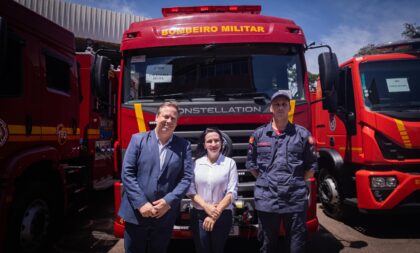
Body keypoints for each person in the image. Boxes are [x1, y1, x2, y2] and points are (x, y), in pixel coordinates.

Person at [246, 90, 317, 253]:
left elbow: (311, 166)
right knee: (268, 244)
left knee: (296, 244)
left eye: (284, 104)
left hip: (294, 198)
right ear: (271, 108)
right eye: (276, 104)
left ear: (289, 108)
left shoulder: (302, 135)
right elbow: (251, 165)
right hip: (267, 198)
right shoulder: (258, 135)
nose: (280, 108)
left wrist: (294, 182)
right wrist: (267, 180)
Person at [118, 101, 193, 253]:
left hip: (164, 216)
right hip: (136, 213)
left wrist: (168, 201)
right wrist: (141, 203)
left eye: (173, 118)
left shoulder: (183, 145)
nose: (169, 121)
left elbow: (186, 177)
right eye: (166, 116)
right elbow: (127, 173)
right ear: (157, 117)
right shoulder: (138, 140)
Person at [187, 128, 238, 253]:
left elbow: (232, 192)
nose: (213, 144)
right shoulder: (196, 164)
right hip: (199, 215)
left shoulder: (230, 163)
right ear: (204, 145)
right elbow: (190, 190)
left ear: (222, 143)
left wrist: (215, 212)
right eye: (209, 141)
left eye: (217, 141)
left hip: (222, 215)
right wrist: (206, 207)